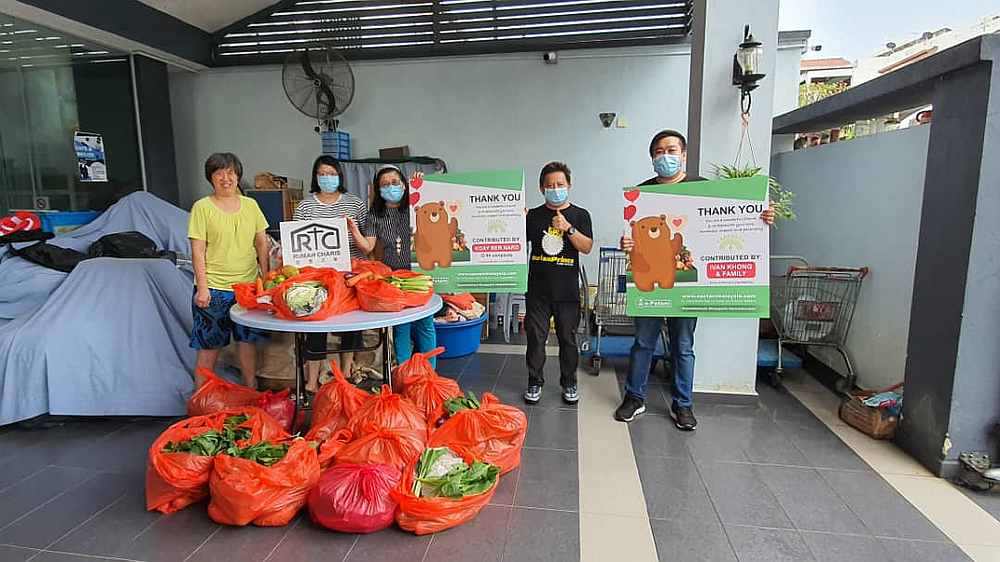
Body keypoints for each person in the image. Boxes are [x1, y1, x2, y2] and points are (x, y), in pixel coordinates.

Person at [614, 130, 774, 429]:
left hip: (687, 287)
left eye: (671, 150)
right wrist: (627, 243)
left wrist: (760, 218)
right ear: (652, 158)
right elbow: (631, 236)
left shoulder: (704, 190)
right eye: (659, 152)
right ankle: (634, 398)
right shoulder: (642, 193)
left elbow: (731, 224)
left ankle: (683, 404)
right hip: (650, 283)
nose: (665, 157)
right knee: (642, 342)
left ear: (683, 155)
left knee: (683, 345)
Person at [188, 152, 270, 387]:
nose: (226, 178)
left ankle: (250, 390)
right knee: (209, 344)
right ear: (211, 178)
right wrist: (202, 289)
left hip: (248, 286)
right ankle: (201, 398)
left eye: (231, 172)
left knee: (247, 341)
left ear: (238, 175)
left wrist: (265, 279)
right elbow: (197, 251)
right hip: (214, 288)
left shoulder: (251, 205)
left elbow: (261, 243)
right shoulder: (202, 207)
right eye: (219, 173)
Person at [294, 155, 373, 394]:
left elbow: (365, 242)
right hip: (316, 278)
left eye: (332, 173)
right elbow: (296, 241)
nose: (327, 178)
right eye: (322, 174)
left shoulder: (355, 203)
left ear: (340, 176)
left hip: (349, 274)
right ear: (315, 177)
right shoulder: (305, 206)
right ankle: (312, 379)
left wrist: (351, 228)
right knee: (316, 324)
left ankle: (346, 372)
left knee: (351, 325)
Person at [522, 162, 593, 405]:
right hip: (537, 290)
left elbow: (587, 247)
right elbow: (516, 243)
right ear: (542, 188)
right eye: (550, 185)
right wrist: (515, 219)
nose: (555, 189)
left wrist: (568, 228)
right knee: (535, 338)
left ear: (569, 185)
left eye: (559, 184)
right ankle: (534, 381)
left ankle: (569, 382)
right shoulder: (533, 216)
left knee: (568, 338)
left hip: (567, 291)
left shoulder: (580, 215)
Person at [363, 166, 437, 367]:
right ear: (378, 189)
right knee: (401, 326)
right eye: (385, 184)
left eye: (395, 182)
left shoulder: (415, 207)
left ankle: (430, 373)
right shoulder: (375, 215)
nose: (391, 187)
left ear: (404, 184)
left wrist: (423, 184)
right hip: (394, 278)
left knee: (425, 323)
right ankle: (405, 372)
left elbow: (437, 203)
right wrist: (352, 230)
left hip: (420, 275)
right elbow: (368, 245)